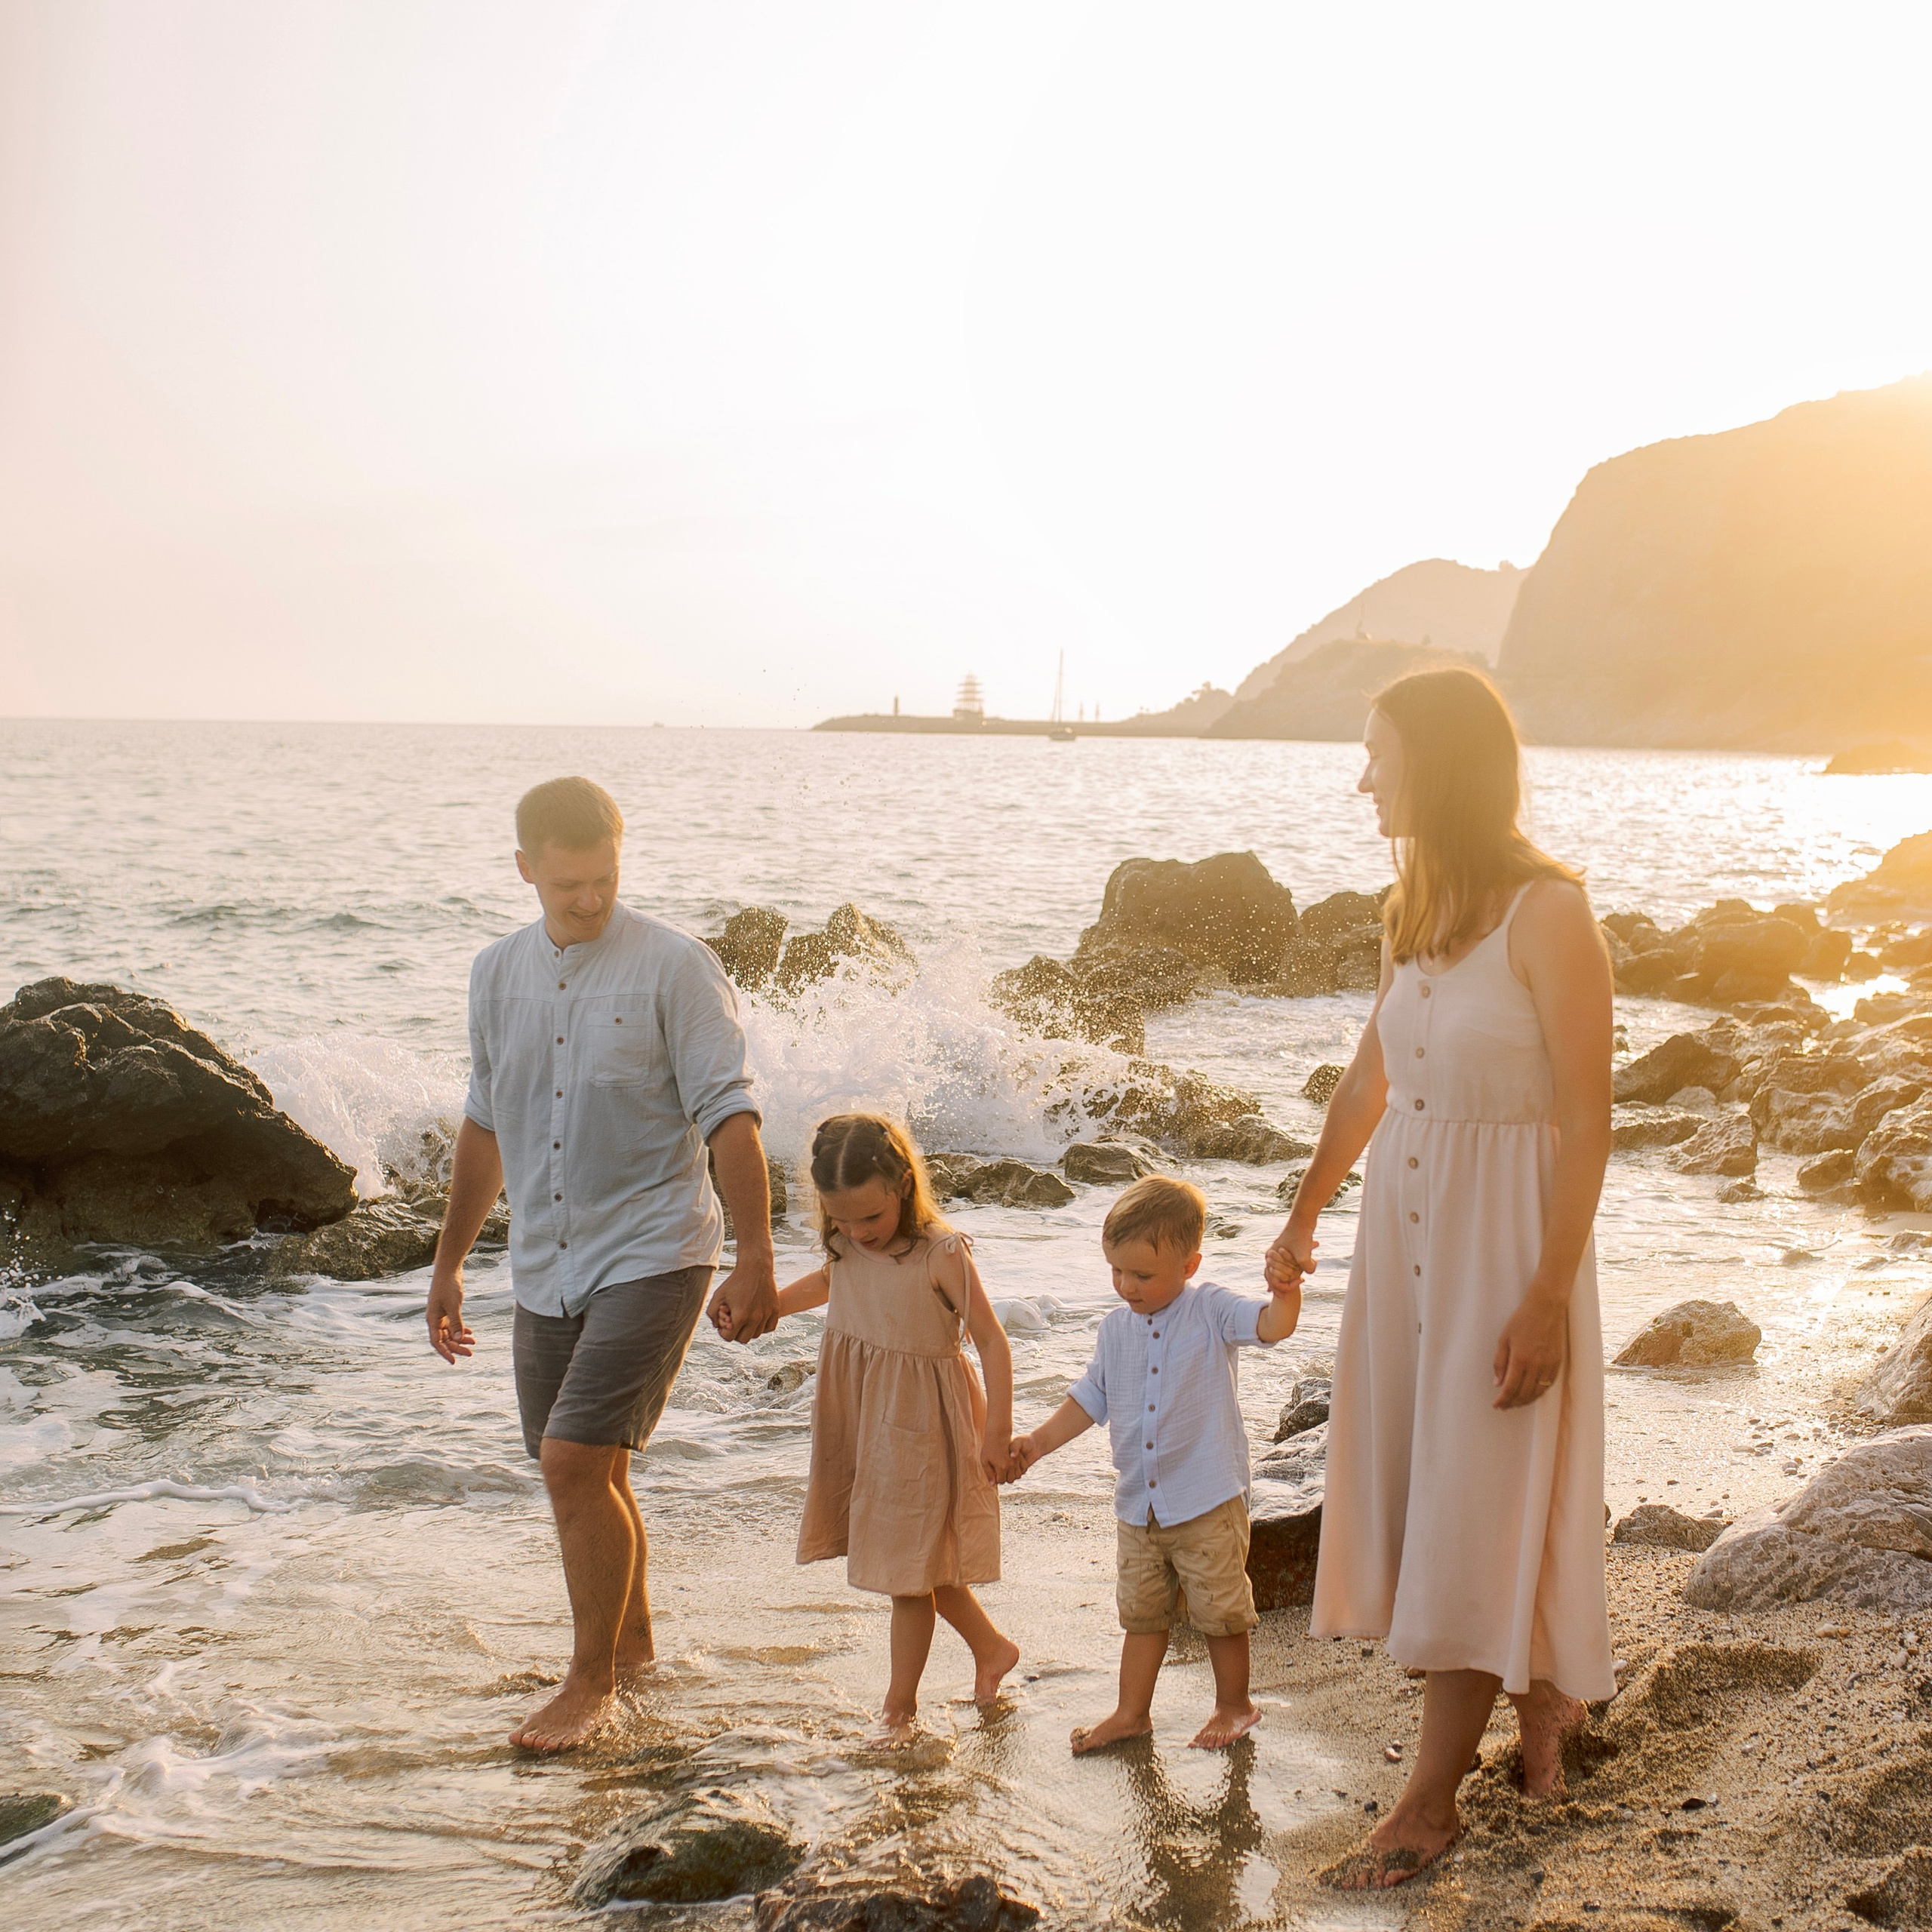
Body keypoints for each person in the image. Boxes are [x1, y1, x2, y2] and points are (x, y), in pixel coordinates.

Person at [1266, 667, 1616, 1889]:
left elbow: (1587, 1121)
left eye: (1378, 754)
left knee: (1480, 1488)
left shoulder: (1549, 914)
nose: (1362, 778)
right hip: (1404, 1236)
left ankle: (1428, 1802)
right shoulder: (1409, 903)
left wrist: (1544, 1294)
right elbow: (1371, 1081)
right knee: (1441, 1485)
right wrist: (1303, 1215)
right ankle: (1543, 1714)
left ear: (1441, 763)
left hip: (1507, 1241)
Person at [424, 775, 781, 1751]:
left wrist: (755, 1258)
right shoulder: (495, 974)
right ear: (525, 869)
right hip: (545, 1262)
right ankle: (631, 1653)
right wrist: (449, 1264)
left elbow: (731, 1119)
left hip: (658, 1247)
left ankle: (591, 1688)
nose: (589, 900)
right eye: (567, 884)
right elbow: (486, 1125)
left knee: (575, 1459)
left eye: (605, 878)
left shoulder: (676, 968)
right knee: (585, 1472)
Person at [738, 1113, 1018, 1732]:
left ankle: (899, 1706)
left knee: (908, 1574)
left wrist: (997, 1431)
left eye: (870, 1217)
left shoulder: (939, 1253)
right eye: (841, 1219)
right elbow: (829, 1281)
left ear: (901, 1184)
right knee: (913, 1560)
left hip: (920, 1422)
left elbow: (994, 1345)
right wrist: (768, 1308)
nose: (857, 1232)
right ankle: (992, 1649)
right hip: (865, 1416)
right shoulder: (846, 1244)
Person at [1008, 1175, 1302, 1754]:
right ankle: (1131, 1712)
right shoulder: (1115, 1329)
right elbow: (1091, 1398)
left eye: (1143, 1275)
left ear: (1190, 1265)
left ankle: (1235, 1705)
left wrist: (1285, 1292)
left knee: (1221, 1611)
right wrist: (1037, 1443)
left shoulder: (1209, 1308)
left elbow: (1271, 1327)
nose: (1127, 1286)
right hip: (1138, 1504)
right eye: (1117, 1271)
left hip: (1206, 1496)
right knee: (1142, 1615)